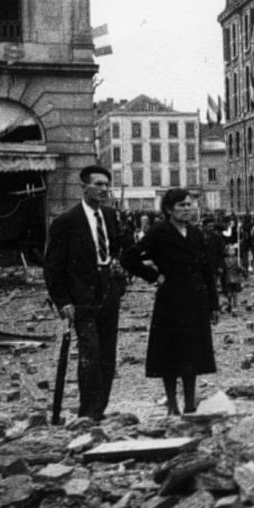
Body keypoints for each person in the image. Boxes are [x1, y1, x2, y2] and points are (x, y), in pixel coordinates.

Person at [43, 164, 131, 421]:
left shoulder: (111, 215)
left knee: (107, 353)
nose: (104, 189)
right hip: (81, 295)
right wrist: (62, 301)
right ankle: (88, 412)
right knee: (90, 351)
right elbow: (53, 266)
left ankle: (100, 409)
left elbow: (122, 247)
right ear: (84, 187)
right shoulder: (66, 222)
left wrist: (120, 270)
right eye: (98, 184)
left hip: (108, 292)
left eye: (106, 184)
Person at [121, 188, 218, 415]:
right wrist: (154, 276)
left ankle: (190, 403)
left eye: (189, 205)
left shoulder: (196, 233)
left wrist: (214, 304)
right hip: (171, 300)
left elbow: (207, 271)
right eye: (181, 206)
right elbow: (128, 258)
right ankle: (172, 405)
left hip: (195, 299)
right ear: (168, 210)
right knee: (170, 352)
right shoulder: (158, 232)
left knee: (192, 351)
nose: (187, 209)